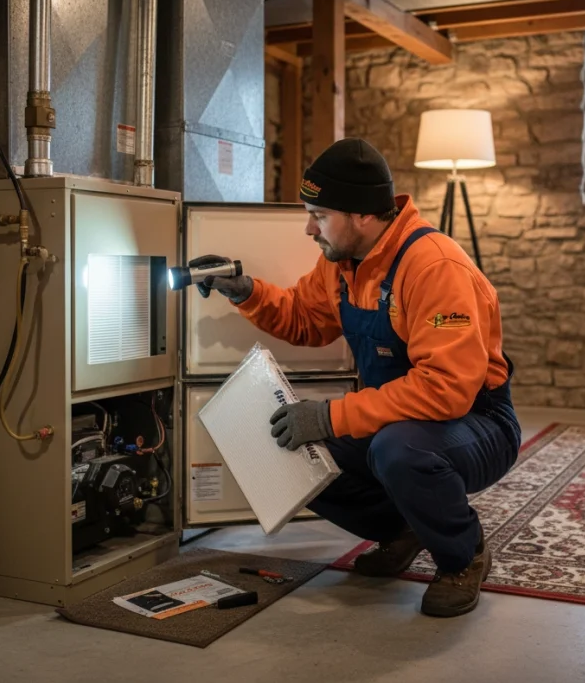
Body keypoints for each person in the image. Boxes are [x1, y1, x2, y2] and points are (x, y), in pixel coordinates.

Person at [190, 137, 520, 618]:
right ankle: (402, 530)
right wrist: (244, 291)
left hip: (477, 421)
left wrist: (329, 416)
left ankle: (463, 556)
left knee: (398, 451)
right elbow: (304, 319)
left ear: (362, 215)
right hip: (400, 420)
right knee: (290, 449)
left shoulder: (435, 267)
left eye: (319, 216)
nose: (309, 228)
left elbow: (445, 389)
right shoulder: (343, 265)